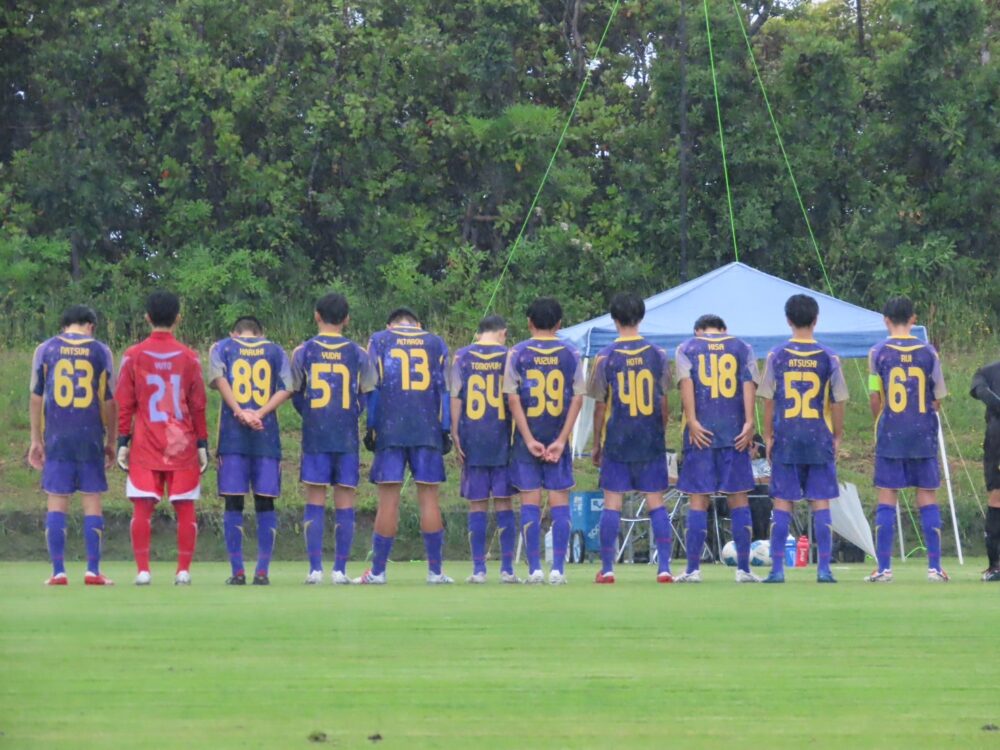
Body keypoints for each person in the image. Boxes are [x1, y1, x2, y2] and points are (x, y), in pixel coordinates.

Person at [116, 291, 209, 586]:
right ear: (178, 319)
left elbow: (124, 402)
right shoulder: (190, 357)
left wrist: (122, 440)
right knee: (185, 507)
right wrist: (202, 443)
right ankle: (183, 571)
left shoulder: (133, 356)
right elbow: (198, 404)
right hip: (181, 444)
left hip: (145, 443)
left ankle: (143, 571)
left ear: (147, 317)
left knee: (142, 507)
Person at [356, 307, 452, 585]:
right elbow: (444, 390)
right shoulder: (435, 343)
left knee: (388, 501)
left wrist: (371, 426)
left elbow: (372, 387)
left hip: (390, 430)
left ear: (390, 325)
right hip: (427, 429)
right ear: (418, 324)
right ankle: (435, 572)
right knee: (429, 499)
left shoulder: (379, 340)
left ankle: (378, 572)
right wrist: (445, 428)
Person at [757, 294, 848, 584]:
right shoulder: (829, 357)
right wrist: (837, 435)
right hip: (818, 436)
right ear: (816, 319)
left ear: (788, 320)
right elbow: (839, 400)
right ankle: (824, 569)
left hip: (786, 436)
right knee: (820, 503)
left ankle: (777, 569)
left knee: (783, 503)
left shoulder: (776, 355)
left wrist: (768, 435)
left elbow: (768, 399)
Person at [28, 305, 117, 586]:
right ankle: (93, 570)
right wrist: (112, 440)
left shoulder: (45, 349)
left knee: (57, 500)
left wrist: (36, 439)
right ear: (90, 325)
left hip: (57, 436)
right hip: (90, 436)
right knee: (92, 500)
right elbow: (109, 400)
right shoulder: (101, 351)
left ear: (64, 325)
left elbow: (36, 397)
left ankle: (58, 571)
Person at [291, 293, 376, 584]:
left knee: (315, 497)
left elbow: (295, 393)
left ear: (316, 315)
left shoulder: (303, 351)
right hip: (346, 436)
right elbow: (367, 394)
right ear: (347, 319)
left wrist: (310, 414)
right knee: (345, 500)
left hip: (315, 434)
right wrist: (352, 414)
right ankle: (340, 570)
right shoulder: (358, 353)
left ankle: (315, 569)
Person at [588, 293, 673, 584]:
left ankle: (608, 568)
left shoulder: (605, 357)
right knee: (656, 501)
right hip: (649, 438)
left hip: (618, 438)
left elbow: (600, 406)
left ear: (614, 319)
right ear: (641, 317)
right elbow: (663, 402)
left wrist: (596, 443)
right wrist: (659, 431)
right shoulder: (657, 354)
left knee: (612, 502)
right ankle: (664, 568)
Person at [865, 297, 949, 583]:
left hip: (891, 431)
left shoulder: (878, 352)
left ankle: (884, 568)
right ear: (913, 318)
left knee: (887, 494)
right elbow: (938, 397)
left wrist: (882, 421)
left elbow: (874, 395)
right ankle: (934, 568)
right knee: (927, 494)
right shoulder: (929, 352)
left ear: (886, 320)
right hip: (923, 431)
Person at [673, 314, 760, 583]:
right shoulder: (742, 347)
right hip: (735, 432)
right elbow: (748, 383)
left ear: (698, 330)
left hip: (701, 434)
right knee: (739, 498)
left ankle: (692, 570)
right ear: (724, 329)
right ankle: (744, 569)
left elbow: (686, 384)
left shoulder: (686, 348)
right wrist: (749, 422)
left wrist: (692, 421)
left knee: (698, 499)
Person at [504, 297, 585, 585]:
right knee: (559, 501)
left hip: (527, 438)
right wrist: (562, 439)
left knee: (530, 501)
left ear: (529, 322)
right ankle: (558, 570)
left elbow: (513, 399)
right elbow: (578, 398)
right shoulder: (571, 353)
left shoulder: (517, 353)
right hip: (557, 437)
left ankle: (535, 569)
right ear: (559, 323)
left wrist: (527, 439)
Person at [209, 316, 293, 586]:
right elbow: (287, 388)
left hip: (232, 438)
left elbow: (219, 379)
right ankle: (262, 572)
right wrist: (260, 413)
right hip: (266, 437)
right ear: (261, 333)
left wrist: (239, 411)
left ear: (234, 332)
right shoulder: (276, 350)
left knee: (233, 502)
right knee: (265, 502)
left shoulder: (222, 347)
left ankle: (237, 572)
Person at [450, 315, 520, 584]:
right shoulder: (509, 356)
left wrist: (455, 432)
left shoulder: (462, 357)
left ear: (479, 333)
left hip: (473, 438)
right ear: (503, 333)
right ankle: (507, 569)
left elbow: (455, 397)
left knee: (477, 504)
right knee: (504, 503)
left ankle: (479, 569)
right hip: (502, 438)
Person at [970, 357, 1000, 581]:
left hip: (997, 436)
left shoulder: (988, 371)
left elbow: (980, 390)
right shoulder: (989, 370)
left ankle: (996, 566)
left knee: (997, 498)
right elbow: (979, 389)